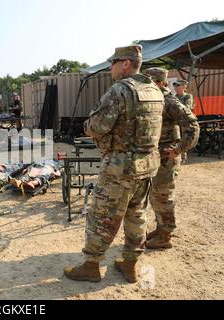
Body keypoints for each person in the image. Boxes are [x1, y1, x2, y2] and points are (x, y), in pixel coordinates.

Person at [64, 45, 164, 284]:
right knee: (136, 215)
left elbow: (96, 126)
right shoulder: (154, 90)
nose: (110, 68)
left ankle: (91, 266)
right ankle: (130, 265)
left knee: (102, 216)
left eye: (113, 63)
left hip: (120, 168)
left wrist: (87, 125)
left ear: (126, 64)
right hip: (146, 165)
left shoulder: (120, 90)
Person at [144, 68, 200, 250]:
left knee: (163, 196)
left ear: (160, 83)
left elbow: (192, 123)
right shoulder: (157, 99)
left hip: (167, 157)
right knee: (156, 195)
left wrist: (180, 148)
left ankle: (165, 235)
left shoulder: (169, 101)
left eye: (150, 82)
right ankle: (161, 228)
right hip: (157, 156)